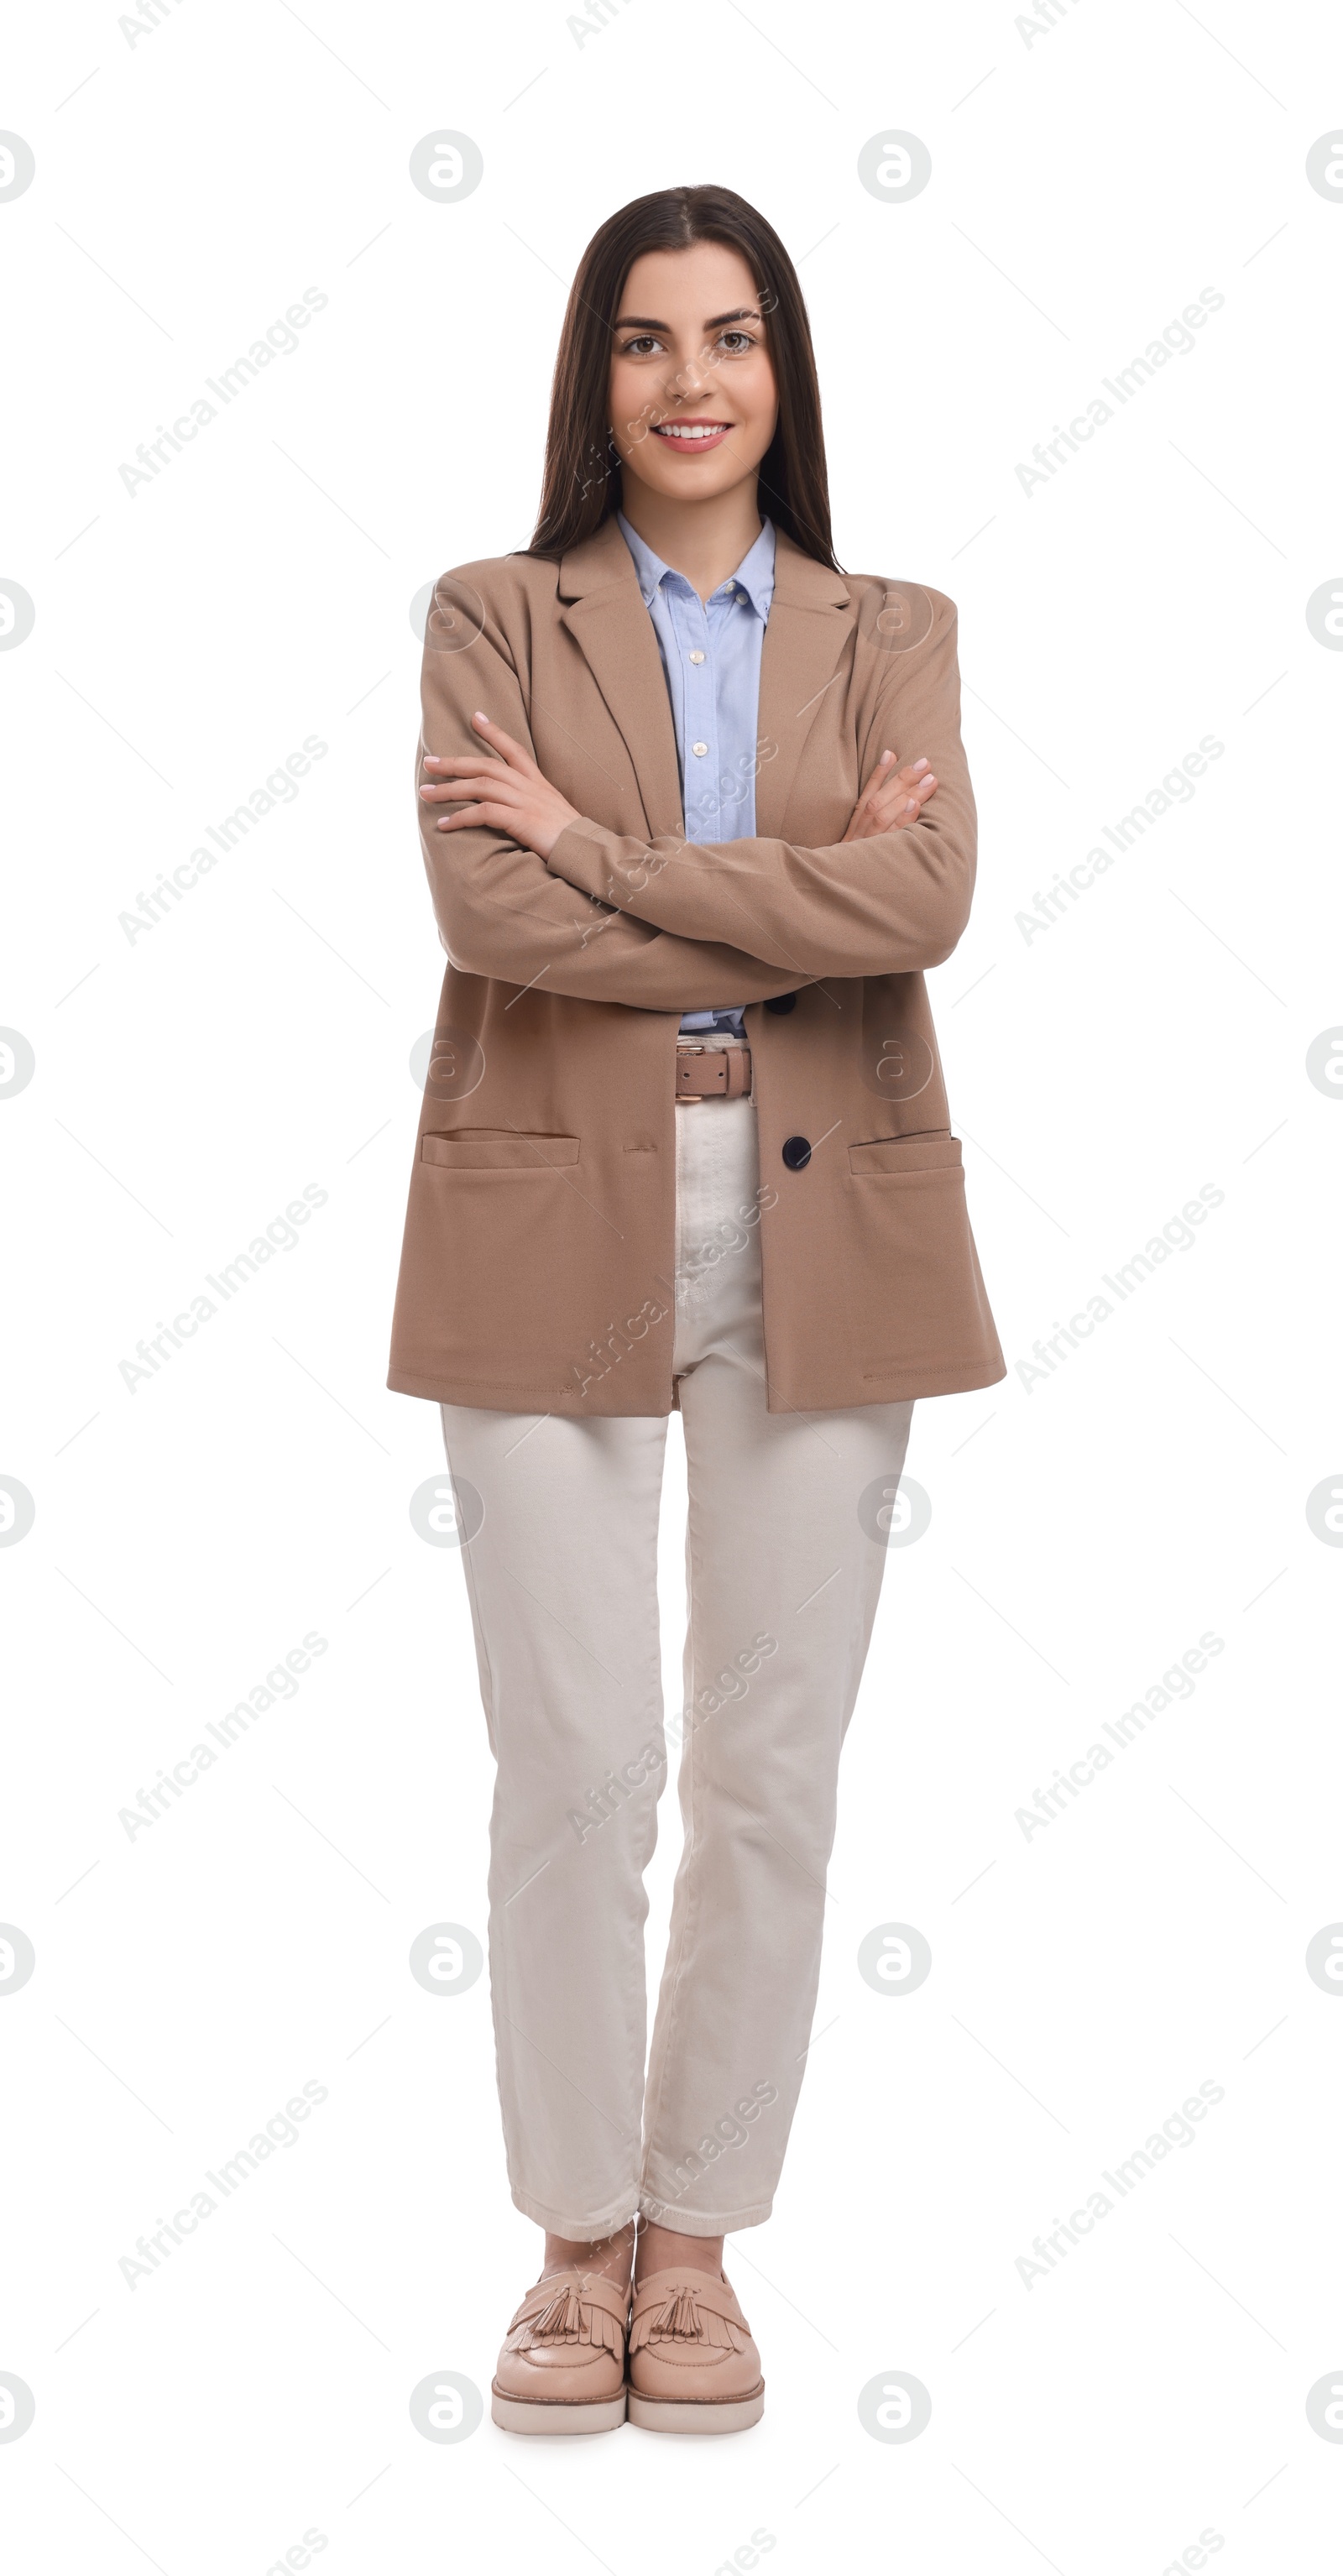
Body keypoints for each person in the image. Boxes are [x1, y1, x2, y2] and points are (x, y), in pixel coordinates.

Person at [389, 182, 1005, 2435]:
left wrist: (604, 851)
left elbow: (924, 903)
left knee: (768, 1768)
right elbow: (494, 916)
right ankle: (572, 2244)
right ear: (596, 374)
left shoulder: (895, 624)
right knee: (573, 1765)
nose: (691, 384)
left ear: (784, 369)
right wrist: (782, 899)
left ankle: (699, 2246)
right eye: (646, 343)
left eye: (731, 338)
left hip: (828, 1205)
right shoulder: (489, 615)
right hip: (548, 1197)